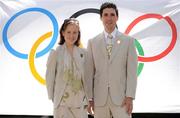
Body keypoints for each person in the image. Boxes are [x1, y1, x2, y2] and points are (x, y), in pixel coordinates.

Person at [85, 2, 138, 118]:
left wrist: (130, 96)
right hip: (99, 99)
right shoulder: (92, 42)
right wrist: (89, 97)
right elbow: (89, 73)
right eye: (106, 15)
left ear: (117, 17)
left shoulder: (128, 41)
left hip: (122, 99)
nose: (109, 18)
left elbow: (132, 72)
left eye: (112, 15)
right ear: (101, 18)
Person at [45, 18, 88, 118]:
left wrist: (88, 98)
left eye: (75, 32)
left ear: (78, 34)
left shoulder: (84, 53)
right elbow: (49, 77)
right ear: (63, 33)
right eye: (68, 32)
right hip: (61, 104)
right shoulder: (55, 52)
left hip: (80, 103)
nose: (71, 35)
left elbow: (86, 78)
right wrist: (53, 98)